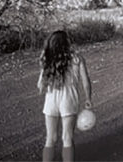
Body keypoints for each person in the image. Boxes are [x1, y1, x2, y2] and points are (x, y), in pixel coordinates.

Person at [37, 31, 93, 162]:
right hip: (69, 99)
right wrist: (88, 98)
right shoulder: (77, 58)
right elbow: (86, 82)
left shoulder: (47, 58)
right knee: (67, 138)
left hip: (51, 100)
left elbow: (40, 85)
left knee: (50, 138)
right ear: (66, 43)